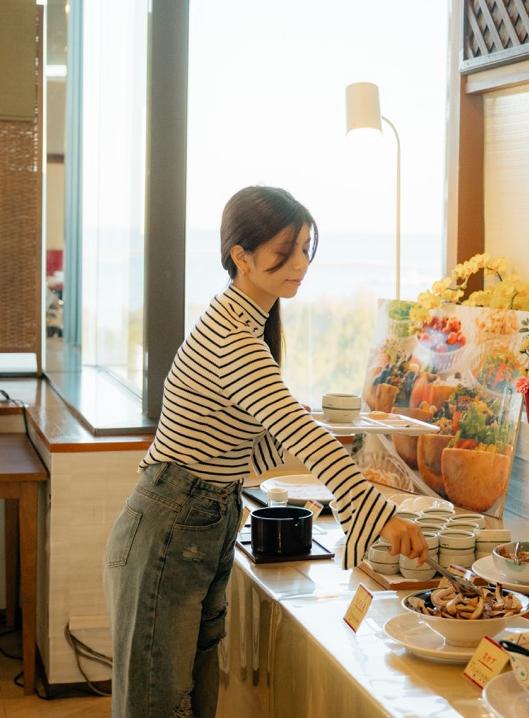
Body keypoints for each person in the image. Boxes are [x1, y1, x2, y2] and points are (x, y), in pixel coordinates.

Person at [103, 185, 427, 718]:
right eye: (286, 250)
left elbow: (259, 436)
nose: (301, 262)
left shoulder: (247, 322)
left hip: (195, 521)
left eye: (305, 248)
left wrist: (362, 447)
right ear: (241, 257)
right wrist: (378, 514)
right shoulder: (233, 335)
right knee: (159, 708)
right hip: (169, 529)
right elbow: (293, 428)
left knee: (191, 703)